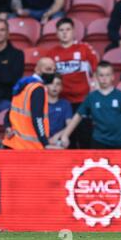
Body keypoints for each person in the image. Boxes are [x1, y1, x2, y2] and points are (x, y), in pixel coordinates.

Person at [46, 17, 98, 149]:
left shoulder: (84, 48)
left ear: (74, 31)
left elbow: (97, 71)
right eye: (61, 30)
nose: (64, 33)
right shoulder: (51, 53)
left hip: (83, 102)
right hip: (63, 103)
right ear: (57, 33)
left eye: (68, 29)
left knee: (85, 137)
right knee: (68, 141)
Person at [61, 61, 121, 150]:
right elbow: (78, 116)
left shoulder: (120, 95)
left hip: (118, 140)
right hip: (98, 141)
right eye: (101, 75)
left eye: (107, 75)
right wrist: (65, 135)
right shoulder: (91, 97)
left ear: (113, 76)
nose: (104, 78)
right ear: (96, 77)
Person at [2, 57, 60, 149]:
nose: (52, 73)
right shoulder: (38, 88)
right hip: (28, 148)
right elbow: (37, 118)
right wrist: (45, 143)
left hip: (12, 143)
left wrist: (7, 126)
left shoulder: (22, 85)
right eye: (48, 69)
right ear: (37, 69)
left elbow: (9, 112)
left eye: (54, 70)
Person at [0, 19, 24, 115]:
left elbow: (11, 80)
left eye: (2, 30)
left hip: (4, 101)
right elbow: (5, 77)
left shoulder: (17, 54)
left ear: (7, 33)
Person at [46, 73, 72, 147]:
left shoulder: (65, 104)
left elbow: (70, 125)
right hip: (42, 140)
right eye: (51, 83)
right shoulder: (40, 103)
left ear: (61, 87)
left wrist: (57, 136)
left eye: (58, 84)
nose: (55, 86)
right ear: (46, 85)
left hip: (58, 141)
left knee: (65, 141)